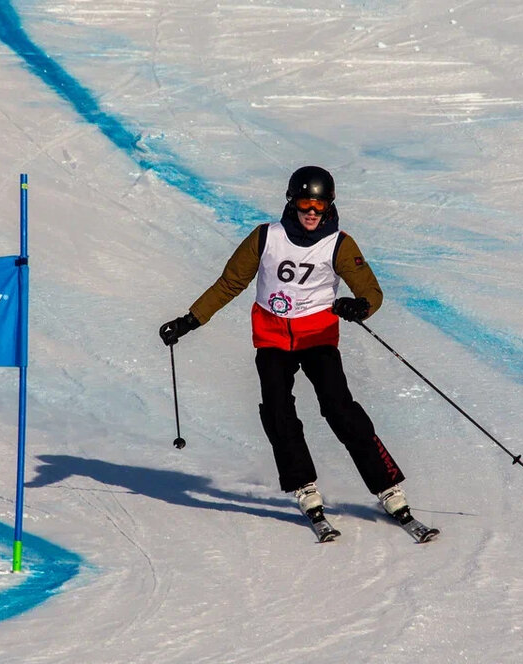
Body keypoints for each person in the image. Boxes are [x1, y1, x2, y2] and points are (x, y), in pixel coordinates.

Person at [158, 165, 413, 524]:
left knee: (339, 409)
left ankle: (387, 487)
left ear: (330, 207)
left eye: (320, 206)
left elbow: (370, 291)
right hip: (273, 338)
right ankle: (304, 485)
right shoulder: (266, 238)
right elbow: (229, 284)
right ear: (292, 203)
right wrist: (190, 320)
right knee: (278, 412)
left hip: (318, 337)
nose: (312, 213)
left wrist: (360, 307)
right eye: (306, 204)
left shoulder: (338, 243)